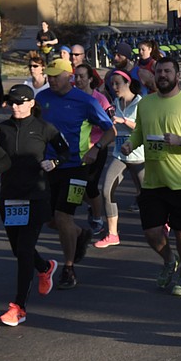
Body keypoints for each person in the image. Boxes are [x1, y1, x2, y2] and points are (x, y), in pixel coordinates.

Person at [121, 57, 181, 296]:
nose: (163, 75)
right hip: (153, 180)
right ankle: (170, 261)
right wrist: (130, 144)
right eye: (159, 71)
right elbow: (139, 132)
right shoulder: (147, 104)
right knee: (151, 231)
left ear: (177, 76)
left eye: (168, 71)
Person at [35, 59, 115, 289]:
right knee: (50, 219)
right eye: (48, 75)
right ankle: (79, 234)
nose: (50, 80)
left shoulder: (86, 101)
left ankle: (68, 268)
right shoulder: (43, 98)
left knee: (63, 217)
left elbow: (110, 130)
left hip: (76, 168)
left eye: (55, 76)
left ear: (68, 77)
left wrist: (96, 149)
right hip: (49, 167)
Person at [0, 85, 69, 327]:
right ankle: (45, 266)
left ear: (31, 103)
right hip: (10, 197)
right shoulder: (2, 129)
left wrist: (54, 162)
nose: (15, 106)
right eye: (12, 102)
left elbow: (65, 151)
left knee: (25, 250)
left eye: (20, 102)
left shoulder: (43, 128)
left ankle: (19, 308)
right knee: (19, 250)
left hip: (35, 197)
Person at [95, 70, 145, 248]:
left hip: (139, 157)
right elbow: (114, 129)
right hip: (120, 155)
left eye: (118, 83)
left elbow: (143, 128)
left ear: (128, 83)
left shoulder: (141, 103)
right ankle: (112, 234)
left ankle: (162, 224)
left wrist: (123, 121)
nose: (114, 87)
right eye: (112, 84)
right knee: (107, 191)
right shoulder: (116, 103)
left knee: (147, 196)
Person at [74, 63, 114, 236]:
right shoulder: (72, 97)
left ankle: (97, 219)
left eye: (82, 76)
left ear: (90, 79)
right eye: (76, 76)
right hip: (77, 148)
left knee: (90, 185)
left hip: (97, 147)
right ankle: (89, 206)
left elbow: (109, 124)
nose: (78, 80)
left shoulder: (99, 99)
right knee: (75, 184)